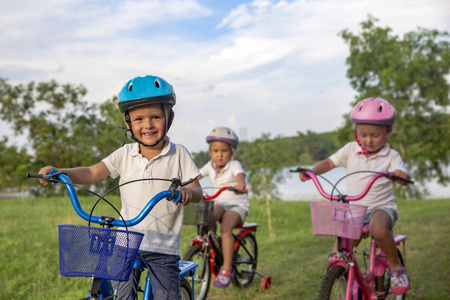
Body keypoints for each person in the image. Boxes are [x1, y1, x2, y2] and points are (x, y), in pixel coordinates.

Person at [38, 75, 203, 300]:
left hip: (162, 246)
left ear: (169, 117)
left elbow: (197, 190)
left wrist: (186, 192)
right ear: (128, 122)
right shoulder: (124, 154)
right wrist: (60, 172)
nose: (148, 125)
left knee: (167, 297)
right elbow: (91, 172)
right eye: (139, 119)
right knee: (121, 296)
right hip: (126, 240)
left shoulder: (179, 154)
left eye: (156, 116)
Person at [299, 98, 411, 295]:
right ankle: (343, 276)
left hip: (381, 208)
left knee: (377, 228)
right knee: (340, 248)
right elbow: (329, 163)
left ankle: (395, 268)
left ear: (388, 131)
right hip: (356, 210)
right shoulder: (350, 149)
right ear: (355, 132)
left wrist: (401, 176)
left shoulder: (391, 156)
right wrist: (313, 171)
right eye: (363, 134)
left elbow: (399, 171)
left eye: (375, 135)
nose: (368, 140)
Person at [198, 127, 249, 288]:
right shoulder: (209, 166)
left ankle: (227, 269)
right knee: (209, 216)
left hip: (237, 204)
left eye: (224, 151)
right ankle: (217, 246)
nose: (219, 154)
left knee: (226, 228)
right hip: (219, 202)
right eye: (216, 151)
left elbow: (240, 175)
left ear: (231, 153)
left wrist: (241, 184)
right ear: (210, 152)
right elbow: (195, 176)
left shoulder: (234, 165)